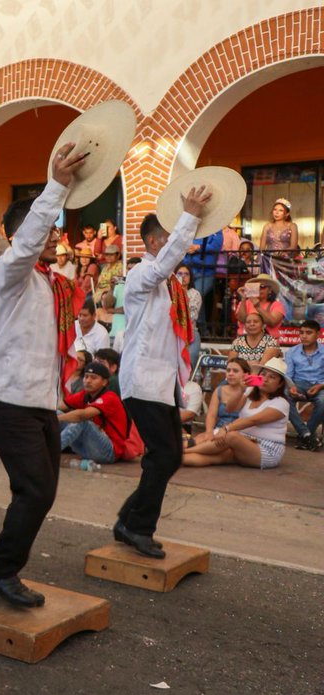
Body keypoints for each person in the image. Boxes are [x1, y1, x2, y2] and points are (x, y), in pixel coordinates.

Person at [0, 142, 88, 608]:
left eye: (52, 229)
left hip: (40, 402)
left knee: (42, 493)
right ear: (13, 237)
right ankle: (0, 571)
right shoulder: (8, 270)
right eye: (41, 228)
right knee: (35, 491)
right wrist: (56, 185)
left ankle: (2, 570)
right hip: (9, 401)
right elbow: (25, 244)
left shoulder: (47, 282)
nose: (51, 235)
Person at [115, 189, 210, 561]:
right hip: (143, 381)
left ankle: (128, 520)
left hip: (163, 382)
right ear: (154, 242)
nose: (175, 247)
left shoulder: (170, 285)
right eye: (170, 238)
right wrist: (189, 217)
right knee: (164, 454)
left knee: (171, 456)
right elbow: (163, 265)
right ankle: (137, 527)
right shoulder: (142, 273)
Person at [183, 360, 290, 469]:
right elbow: (230, 408)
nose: (266, 379)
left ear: (280, 383)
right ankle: (174, 457)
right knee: (212, 456)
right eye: (263, 374)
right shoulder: (249, 392)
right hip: (244, 441)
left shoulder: (281, 403)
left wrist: (225, 429)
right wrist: (241, 390)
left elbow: (253, 420)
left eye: (272, 377)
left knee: (231, 435)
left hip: (266, 449)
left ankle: (184, 451)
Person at [58, 362, 130, 464]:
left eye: (93, 378)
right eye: (86, 377)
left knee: (82, 421)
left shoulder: (110, 397)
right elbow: (60, 407)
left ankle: (49, 451)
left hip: (109, 452)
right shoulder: (84, 395)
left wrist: (55, 418)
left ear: (104, 382)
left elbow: (81, 415)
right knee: (55, 413)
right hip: (88, 449)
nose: (88, 381)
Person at [188, 358, 248, 447]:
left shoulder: (250, 392)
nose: (230, 373)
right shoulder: (219, 390)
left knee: (201, 441)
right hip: (218, 428)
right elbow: (211, 415)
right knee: (200, 438)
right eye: (228, 370)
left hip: (238, 432)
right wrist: (209, 432)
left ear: (245, 374)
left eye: (235, 371)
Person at [284, 319, 324, 451]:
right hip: (299, 384)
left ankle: (305, 436)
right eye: (301, 333)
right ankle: (306, 434)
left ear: (318, 334)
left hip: (320, 386)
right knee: (284, 396)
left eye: (309, 333)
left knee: (323, 401)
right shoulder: (292, 352)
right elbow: (288, 375)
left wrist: (320, 386)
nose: (304, 336)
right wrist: (291, 387)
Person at [184, 228, 222, 328]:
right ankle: (201, 329)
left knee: (196, 295)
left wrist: (198, 247)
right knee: (195, 297)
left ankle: (198, 328)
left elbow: (217, 246)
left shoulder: (216, 228)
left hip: (207, 272)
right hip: (189, 270)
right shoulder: (190, 228)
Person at [175, 264, 202, 371]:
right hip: (173, 334)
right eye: (180, 274)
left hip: (190, 334)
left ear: (190, 278)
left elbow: (191, 316)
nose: (183, 276)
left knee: (188, 366)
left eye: (186, 274)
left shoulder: (195, 294)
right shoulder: (168, 293)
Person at [93, 244, 123, 325]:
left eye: (111, 254)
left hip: (111, 290)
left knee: (105, 297)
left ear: (118, 255)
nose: (108, 257)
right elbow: (100, 282)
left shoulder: (121, 266)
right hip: (100, 291)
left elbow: (117, 282)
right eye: (107, 255)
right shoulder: (106, 267)